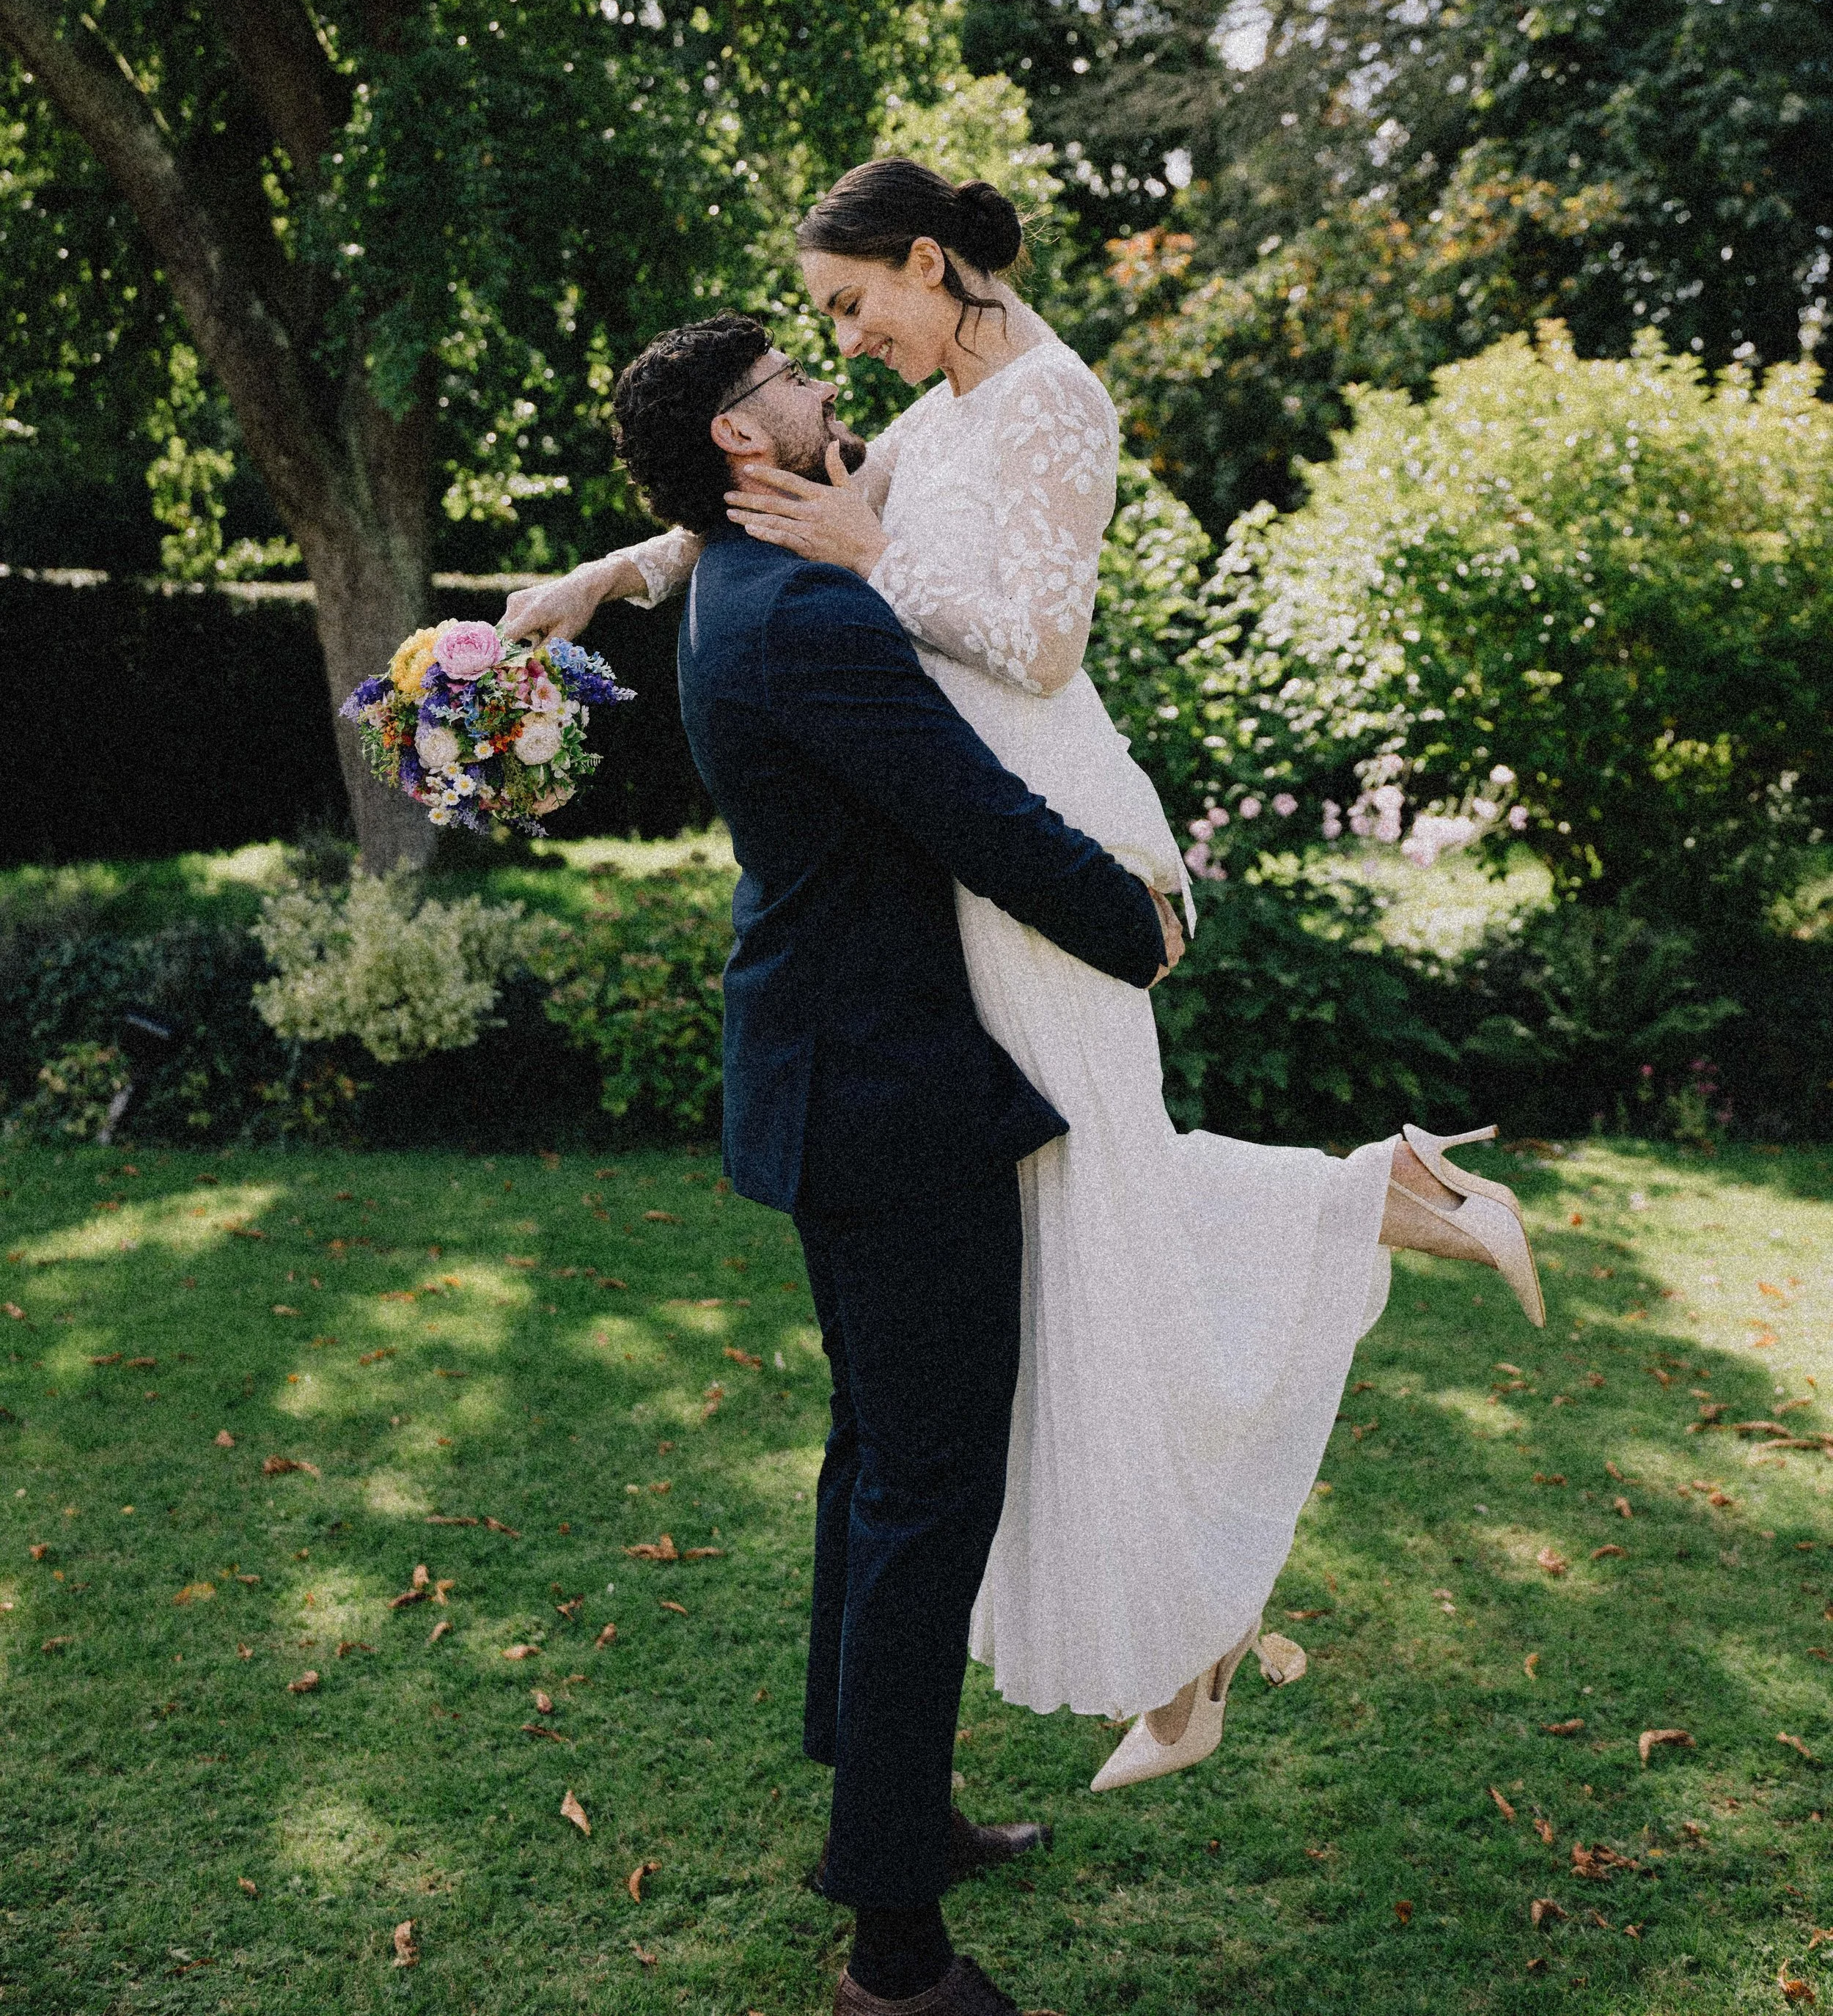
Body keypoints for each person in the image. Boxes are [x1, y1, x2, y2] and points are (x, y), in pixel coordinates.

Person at [505, 161, 1545, 1802]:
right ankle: (1336, 1288)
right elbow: (761, 506)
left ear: (931, 263)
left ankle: (1188, 1614)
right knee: (1081, 1245)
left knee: (1102, 1222)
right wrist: (602, 582)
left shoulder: (1054, 400)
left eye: (854, 305)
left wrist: (867, 556)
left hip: (1049, 837)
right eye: (820, 329)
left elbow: (1040, 640)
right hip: (968, 869)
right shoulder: (929, 421)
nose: (842, 345)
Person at [567, 311, 1185, 2016]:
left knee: (874, 1456)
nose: (826, 384)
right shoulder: (814, 615)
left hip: (832, 1072)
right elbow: (969, 809)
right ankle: (892, 1956)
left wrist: (573, 585)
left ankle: (885, 1798)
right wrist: (1136, 924)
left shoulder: (729, 583)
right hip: (886, 1094)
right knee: (927, 1490)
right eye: (790, 381)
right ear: (746, 445)